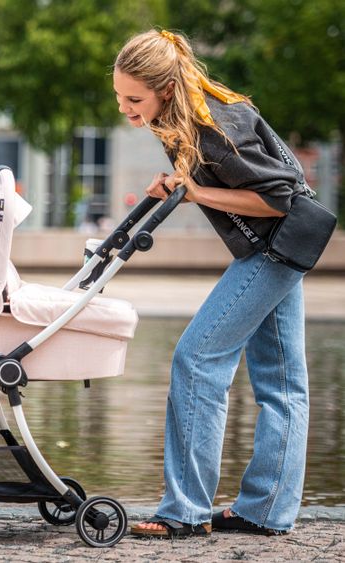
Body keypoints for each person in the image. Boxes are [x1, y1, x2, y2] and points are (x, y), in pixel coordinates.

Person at [114, 29, 309, 538]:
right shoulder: (190, 115)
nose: (125, 109)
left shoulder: (215, 126)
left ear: (166, 90)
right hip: (284, 247)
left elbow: (277, 198)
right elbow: (222, 175)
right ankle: (264, 511)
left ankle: (184, 512)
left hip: (275, 246)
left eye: (134, 99)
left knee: (197, 358)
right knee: (282, 384)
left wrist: (196, 193)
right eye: (119, 97)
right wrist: (179, 181)